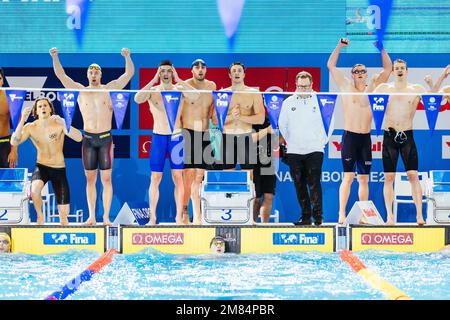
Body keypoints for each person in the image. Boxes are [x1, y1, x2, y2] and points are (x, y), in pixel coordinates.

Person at [50, 47, 135, 226]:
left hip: (105, 139)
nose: (94, 74)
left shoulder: (109, 89)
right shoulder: (80, 90)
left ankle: (105, 217)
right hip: (88, 139)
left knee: (106, 179)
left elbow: (128, 74)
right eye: (91, 71)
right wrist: (55, 56)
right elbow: (61, 76)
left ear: (100, 75)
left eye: (97, 71)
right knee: (90, 179)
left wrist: (127, 57)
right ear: (87, 75)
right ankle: (91, 217)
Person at [327, 38, 392, 224]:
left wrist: (381, 48)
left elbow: (388, 69)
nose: (361, 73)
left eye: (363, 71)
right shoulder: (346, 86)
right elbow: (331, 65)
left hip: (365, 138)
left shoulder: (374, 86)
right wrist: (339, 45)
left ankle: (363, 214)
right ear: (352, 75)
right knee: (347, 178)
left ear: (366, 73)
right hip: (349, 137)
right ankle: (341, 213)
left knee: (363, 179)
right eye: (357, 71)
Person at [135, 60, 199, 225]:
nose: (165, 74)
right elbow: (137, 99)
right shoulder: (153, 91)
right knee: (155, 177)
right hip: (158, 137)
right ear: (159, 72)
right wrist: (152, 79)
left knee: (178, 177)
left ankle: (178, 217)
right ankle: (153, 217)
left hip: (176, 137)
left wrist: (180, 80)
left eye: (168, 71)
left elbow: (196, 96)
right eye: (162, 71)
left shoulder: (180, 90)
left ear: (172, 73)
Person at [10, 98, 83, 225]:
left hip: (59, 168)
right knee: (34, 190)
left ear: (50, 109)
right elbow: (14, 141)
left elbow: (79, 138)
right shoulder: (31, 127)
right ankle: (40, 216)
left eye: (45, 106)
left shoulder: (59, 124)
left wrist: (64, 121)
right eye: (40, 106)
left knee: (64, 216)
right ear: (36, 111)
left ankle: (62, 224)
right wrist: (22, 121)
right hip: (42, 166)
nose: (43, 108)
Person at [374, 59, 428, 225]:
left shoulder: (416, 89)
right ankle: (389, 217)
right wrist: (374, 82)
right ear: (392, 71)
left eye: (402, 68)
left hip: (407, 135)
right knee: (389, 177)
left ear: (407, 70)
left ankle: (420, 216)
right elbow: (366, 100)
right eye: (396, 68)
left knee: (413, 176)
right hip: (389, 136)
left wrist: (436, 81)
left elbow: (434, 100)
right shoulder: (383, 88)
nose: (399, 70)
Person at [278, 71, 329, 226]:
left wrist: (321, 142)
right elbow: (282, 124)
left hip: (315, 149)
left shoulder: (320, 100)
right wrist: (290, 142)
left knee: (314, 183)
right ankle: (305, 216)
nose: (303, 89)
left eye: (306, 87)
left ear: (311, 85)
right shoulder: (289, 102)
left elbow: (329, 122)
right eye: (300, 86)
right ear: (296, 85)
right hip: (294, 150)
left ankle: (318, 216)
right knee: (299, 185)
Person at [212, 62, 265, 176]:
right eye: (234, 71)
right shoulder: (222, 94)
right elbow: (215, 120)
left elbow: (260, 119)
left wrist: (241, 117)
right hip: (227, 139)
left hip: (246, 138)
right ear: (230, 75)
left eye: (239, 70)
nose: (237, 73)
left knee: (248, 178)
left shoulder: (253, 93)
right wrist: (232, 116)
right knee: (227, 177)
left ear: (244, 74)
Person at [181, 59, 217, 225]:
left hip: (204, 134)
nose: (200, 69)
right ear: (192, 70)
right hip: (188, 132)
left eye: (203, 67)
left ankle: (197, 216)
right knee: (188, 176)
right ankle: (184, 212)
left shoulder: (212, 86)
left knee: (199, 177)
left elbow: (213, 115)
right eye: (197, 67)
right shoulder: (184, 86)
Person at [252, 117, 276, 223]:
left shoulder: (273, 118)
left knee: (269, 196)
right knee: (255, 199)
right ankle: (252, 225)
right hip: (252, 162)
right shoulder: (250, 118)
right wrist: (267, 130)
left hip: (268, 162)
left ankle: (264, 226)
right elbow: (248, 138)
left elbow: (279, 140)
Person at [0, 68, 19, 168]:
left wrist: (14, 150)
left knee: (7, 181)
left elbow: (18, 126)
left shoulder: (10, 98)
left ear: (2, 80)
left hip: (4, 145)